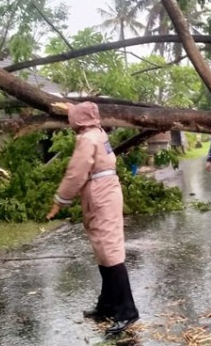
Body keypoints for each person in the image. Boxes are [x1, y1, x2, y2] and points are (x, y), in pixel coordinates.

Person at [46, 102, 139, 335]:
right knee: (103, 251)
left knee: (110, 252)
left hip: (100, 194)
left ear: (78, 120)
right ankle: (106, 306)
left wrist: (60, 200)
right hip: (103, 191)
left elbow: (76, 172)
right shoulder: (98, 132)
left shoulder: (88, 139)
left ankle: (127, 312)